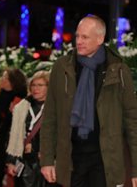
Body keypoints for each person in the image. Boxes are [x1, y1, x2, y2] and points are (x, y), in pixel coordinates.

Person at [40, 15, 137, 187]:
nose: (79, 41)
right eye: (77, 36)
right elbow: (49, 116)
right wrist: (47, 159)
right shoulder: (62, 67)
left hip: (105, 159)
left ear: (100, 39)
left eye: (85, 37)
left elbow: (132, 121)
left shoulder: (118, 70)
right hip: (70, 158)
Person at [5, 70, 51, 187]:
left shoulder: (55, 108)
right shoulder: (21, 107)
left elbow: (60, 136)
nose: (36, 88)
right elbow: (12, 136)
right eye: (33, 85)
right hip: (23, 161)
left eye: (40, 85)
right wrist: (11, 161)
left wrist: (35, 147)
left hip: (46, 161)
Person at [0, 68, 27, 187]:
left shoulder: (20, 98)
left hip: (11, 139)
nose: (2, 79)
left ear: (14, 81)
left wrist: (12, 113)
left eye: (6, 78)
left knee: (3, 169)